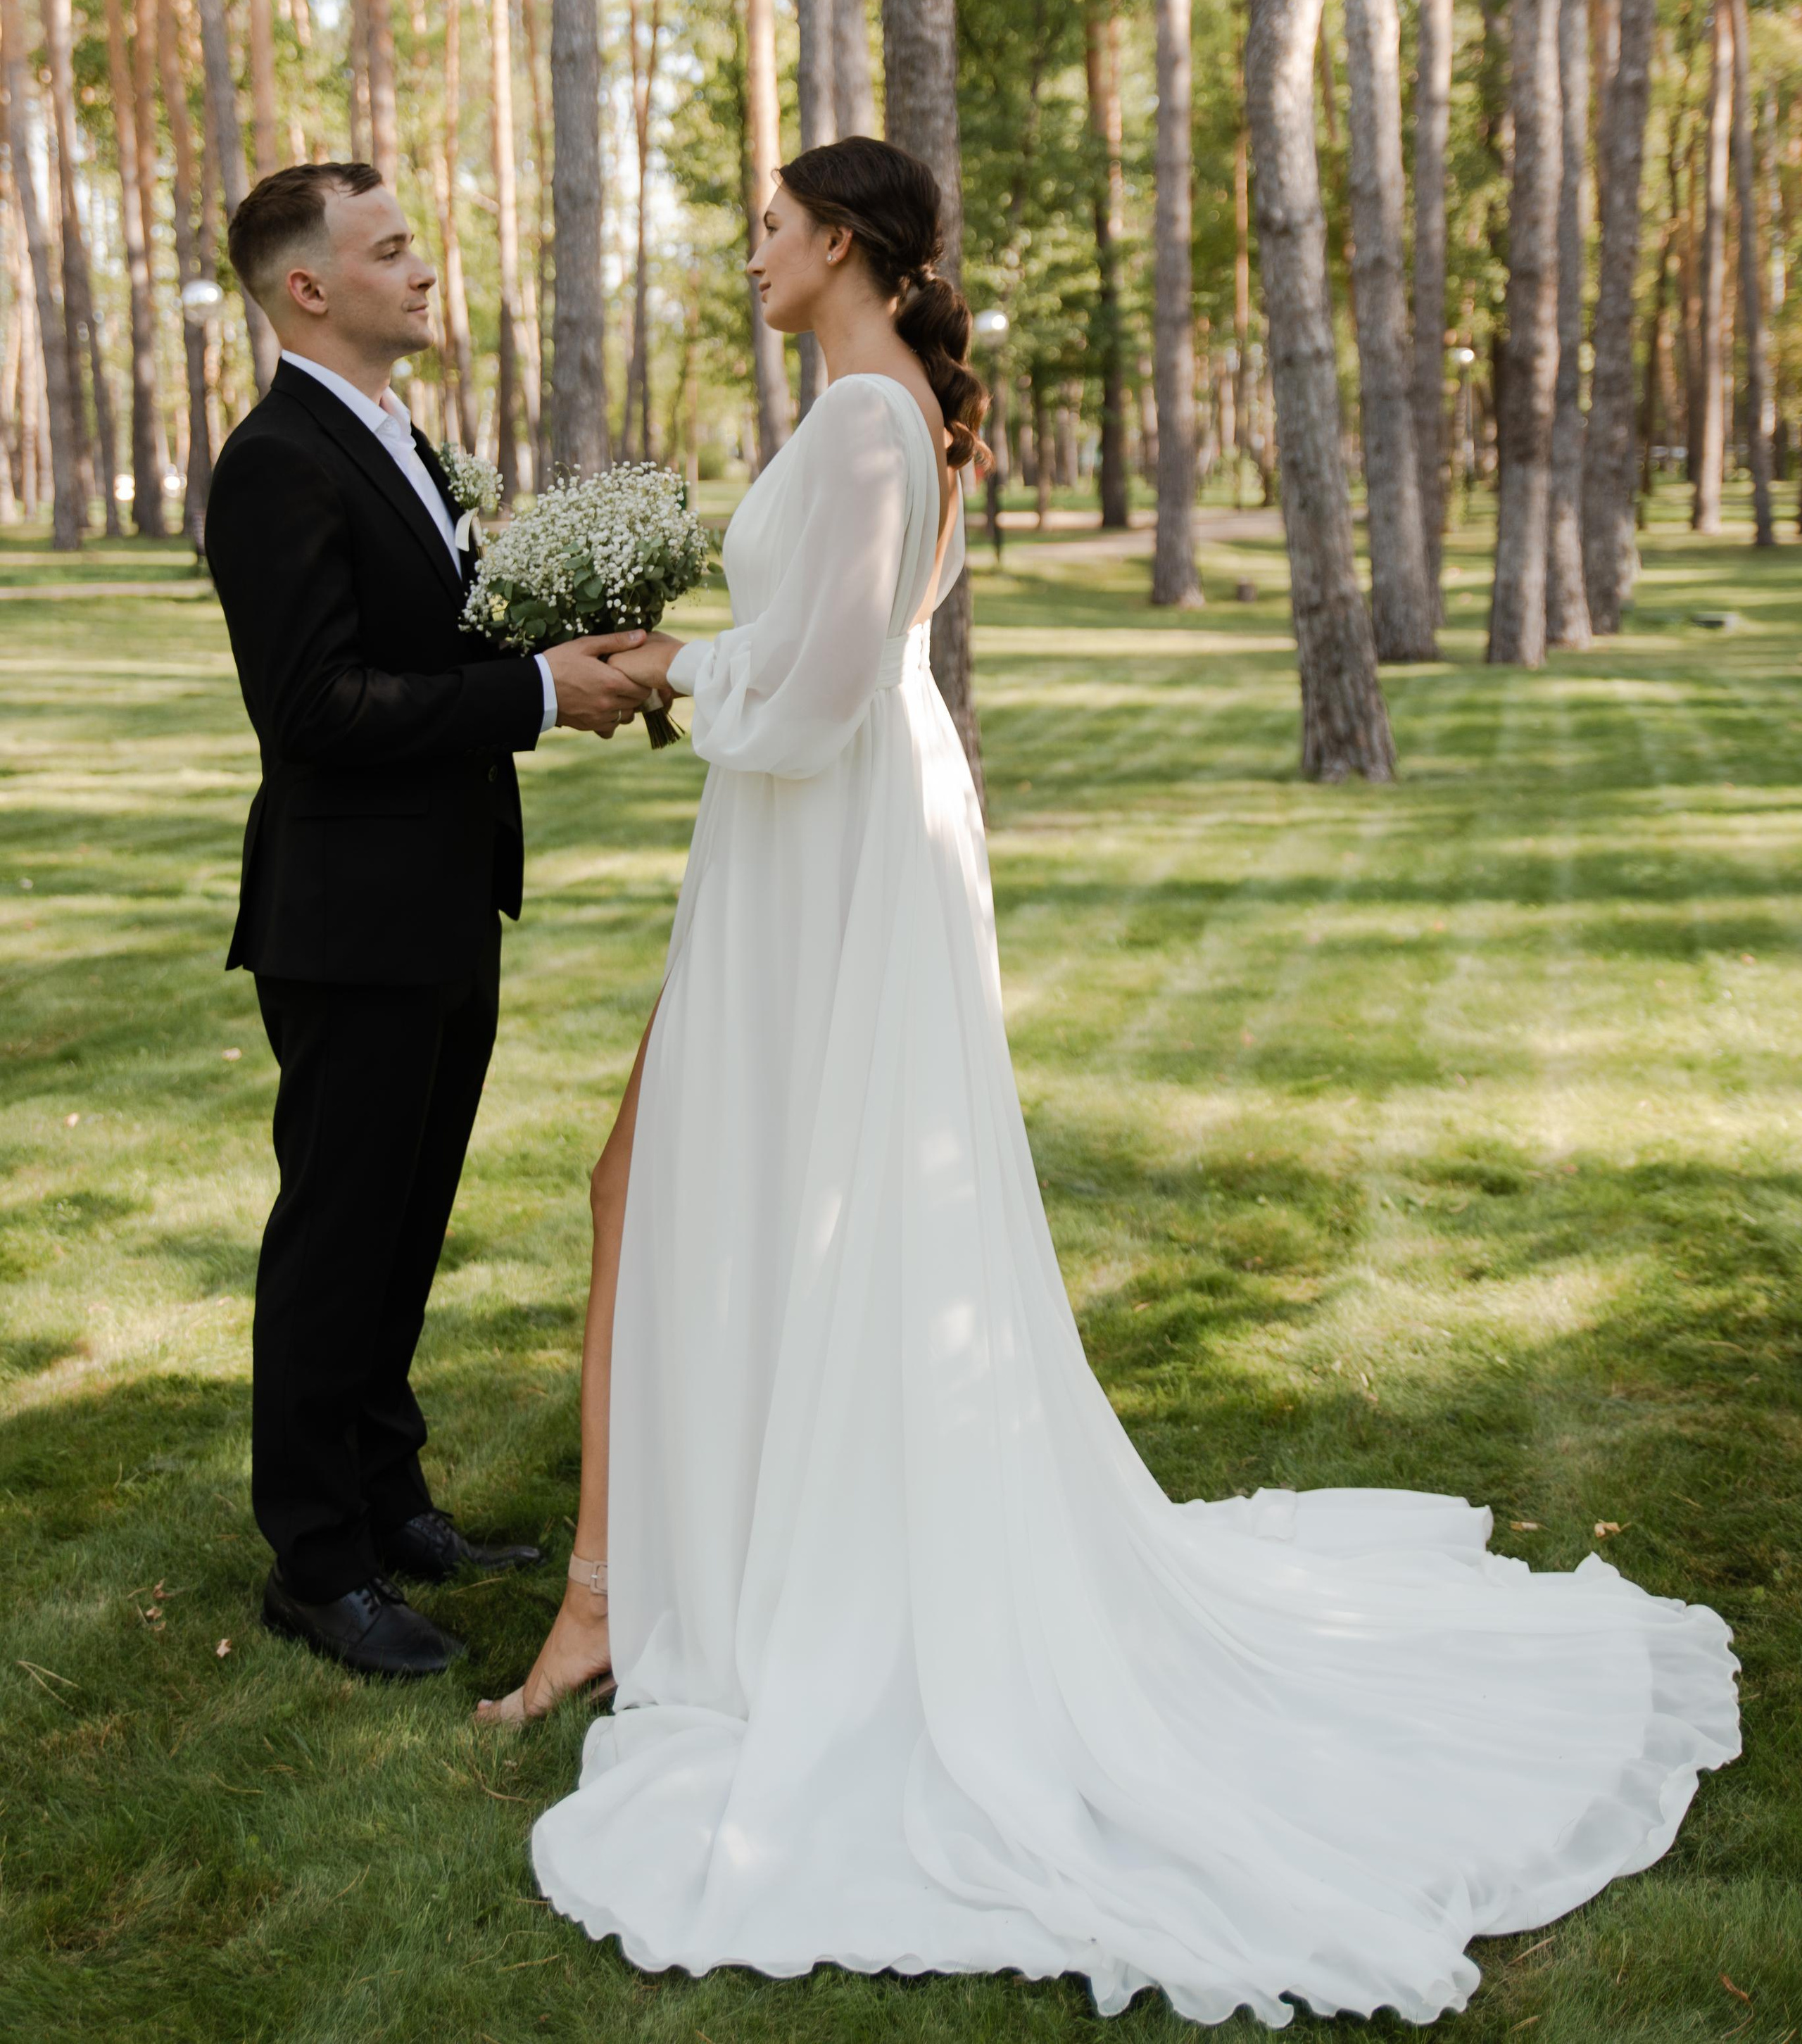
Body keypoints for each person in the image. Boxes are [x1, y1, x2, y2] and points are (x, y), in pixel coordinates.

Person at [505, 136, 1739, 2024]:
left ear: (841, 243)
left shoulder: (858, 420)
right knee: (740, 1172)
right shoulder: (876, 404)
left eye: (767, 228)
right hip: (831, 832)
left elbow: (821, 688)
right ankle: (694, 1546)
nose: (747, 255)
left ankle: (728, 1577)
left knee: (755, 1170)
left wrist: (672, 662)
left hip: (827, 823)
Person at [207, 160, 649, 1681]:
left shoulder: (400, 438)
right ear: (308, 289)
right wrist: (530, 697)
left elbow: (434, 645)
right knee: (335, 1237)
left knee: (404, 1228)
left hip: (447, 895)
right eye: (389, 250)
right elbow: (315, 707)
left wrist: (560, 654)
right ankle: (313, 1563)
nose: (422, 268)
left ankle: (389, 1502)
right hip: (347, 912)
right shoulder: (277, 462)